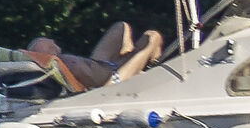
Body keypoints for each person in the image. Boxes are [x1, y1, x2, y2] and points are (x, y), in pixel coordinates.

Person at [23, 22, 166, 90]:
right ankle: (152, 75)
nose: (54, 44)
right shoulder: (61, 66)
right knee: (153, 38)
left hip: (101, 63)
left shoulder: (60, 61)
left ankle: (135, 63)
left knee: (122, 27)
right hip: (113, 80)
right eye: (49, 45)